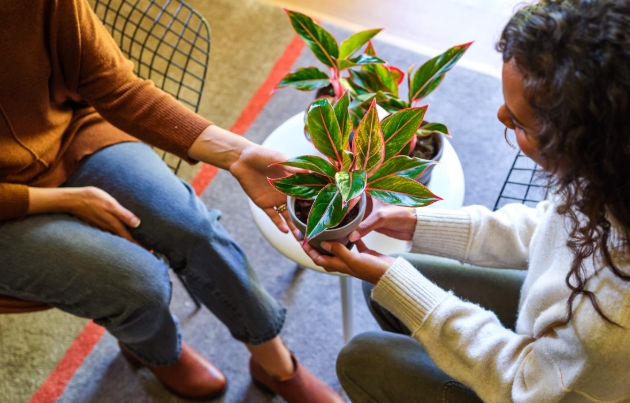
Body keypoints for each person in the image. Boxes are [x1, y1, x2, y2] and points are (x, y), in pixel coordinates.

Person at [0, 1, 344, 402]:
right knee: (136, 285)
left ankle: (275, 363)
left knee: (192, 227)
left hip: (70, 135)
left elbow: (115, 86)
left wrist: (236, 154)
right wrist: (62, 200)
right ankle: (155, 352)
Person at [302, 0, 630, 401]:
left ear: (583, 144)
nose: (498, 116)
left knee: (361, 358)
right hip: (555, 328)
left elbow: (522, 384)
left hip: (537, 388)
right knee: (385, 286)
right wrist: (418, 224)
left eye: (519, 122)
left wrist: (401, 286)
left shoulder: (614, 318)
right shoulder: (609, 178)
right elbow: (550, 225)